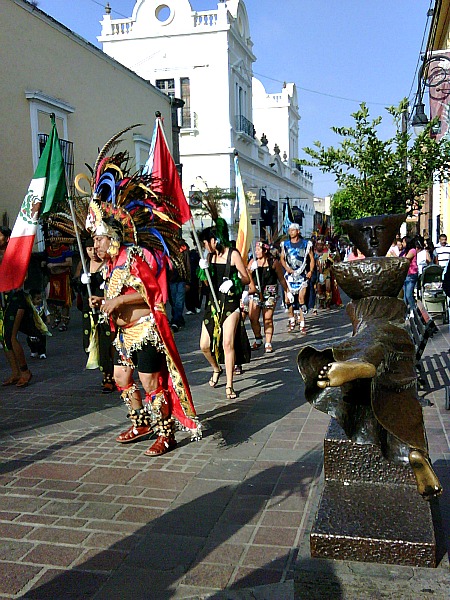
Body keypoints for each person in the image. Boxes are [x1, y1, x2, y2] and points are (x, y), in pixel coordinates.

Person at [297, 213, 442, 500]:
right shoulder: (377, 267)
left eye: (379, 232)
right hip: (385, 330)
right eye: (366, 233)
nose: (374, 238)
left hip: (377, 327)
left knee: (377, 347)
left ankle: (360, 366)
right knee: (383, 351)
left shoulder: (387, 265)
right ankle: (414, 449)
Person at [89, 214, 201, 455]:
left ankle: (166, 433)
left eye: (99, 239)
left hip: (144, 331)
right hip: (124, 335)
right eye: (94, 240)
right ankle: (141, 424)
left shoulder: (132, 258)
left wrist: (118, 299)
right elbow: (120, 296)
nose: (95, 245)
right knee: (120, 377)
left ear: (112, 238)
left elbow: (153, 293)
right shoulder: (110, 265)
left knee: (151, 382)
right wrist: (103, 301)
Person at [198, 226, 250, 400]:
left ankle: (229, 384)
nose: (205, 246)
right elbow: (207, 285)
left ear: (214, 240)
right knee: (204, 345)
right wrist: (203, 272)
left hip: (230, 304)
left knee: (228, 343)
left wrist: (233, 283)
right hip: (213, 305)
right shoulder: (210, 256)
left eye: (206, 242)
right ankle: (216, 368)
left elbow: (246, 278)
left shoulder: (232, 254)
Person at [0, 227, 47, 387]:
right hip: (3, 300)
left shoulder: (14, 254)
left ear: (7, 238)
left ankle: (25, 371)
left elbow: (23, 274)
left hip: (16, 298)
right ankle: (15, 372)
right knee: (5, 338)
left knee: (11, 336)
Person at [73, 238, 115, 393]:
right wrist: (80, 281)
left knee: (105, 342)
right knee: (90, 343)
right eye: (89, 249)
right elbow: (76, 282)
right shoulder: (83, 264)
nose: (93, 252)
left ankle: (109, 377)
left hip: (105, 309)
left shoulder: (108, 263)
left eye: (94, 248)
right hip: (88, 310)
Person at [247, 240, 289, 353]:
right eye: (255, 250)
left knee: (268, 318)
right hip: (255, 292)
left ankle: (268, 342)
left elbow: (281, 278)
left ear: (265, 251)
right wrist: (250, 270)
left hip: (269, 292)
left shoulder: (273, 263)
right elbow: (246, 278)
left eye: (258, 249)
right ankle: (258, 338)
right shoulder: (252, 262)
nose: (256, 252)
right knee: (252, 317)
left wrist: (287, 292)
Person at [280, 223, 315, 333]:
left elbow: (312, 258)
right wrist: (287, 268)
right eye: (290, 230)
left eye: (293, 230)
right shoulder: (285, 244)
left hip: (302, 275)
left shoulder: (306, 244)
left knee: (301, 299)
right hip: (290, 276)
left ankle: (302, 322)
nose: (291, 232)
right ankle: (291, 320)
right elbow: (282, 258)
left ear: (298, 231)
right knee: (288, 299)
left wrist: (310, 271)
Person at [46, 240, 73, 331]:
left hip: (63, 277)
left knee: (65, 301)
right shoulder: (48, 250)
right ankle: (57, 317)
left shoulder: (65, 249)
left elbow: (69, 263)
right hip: (53, 278)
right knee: (50, 300)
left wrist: (54, 265)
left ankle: (64, 322)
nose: (54, 241)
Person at [168, 238, 190, 331]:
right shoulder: (169, 252)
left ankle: (175, 321)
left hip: (181, 280)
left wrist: (188, 281)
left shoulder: (183, 251)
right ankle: (178, 319)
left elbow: (188, 266)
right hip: (172, 281)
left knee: (179, 302)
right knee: (174, 302)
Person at [26, 289, 49, 359]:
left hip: (40, 326)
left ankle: (42, 352)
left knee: (41, 338)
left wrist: (48, 318)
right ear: (32, 300)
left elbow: (46, 312)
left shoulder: (42, 307)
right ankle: (33, 350)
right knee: (31, 339)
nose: (40, 300)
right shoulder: (30, 308)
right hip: (32, 326)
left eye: (40, 299)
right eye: (37, 299)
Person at [400, 236, 418, 312]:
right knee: (404, 296)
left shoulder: (412, 250)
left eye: (403, 242)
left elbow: (405, 259)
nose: (402, 243)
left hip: (411, 274)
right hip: (405, 274)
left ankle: (413, 310)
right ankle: (405, 313)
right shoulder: (404, 251)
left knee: (408, 295)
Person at [185, 246, 201, 315]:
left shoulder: (194, 254)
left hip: (194, 276)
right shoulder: (183, 256)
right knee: (188, 293)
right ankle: (190, 308)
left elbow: (199, 264)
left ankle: (197, 306)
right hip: (186, 277)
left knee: (195, 292)